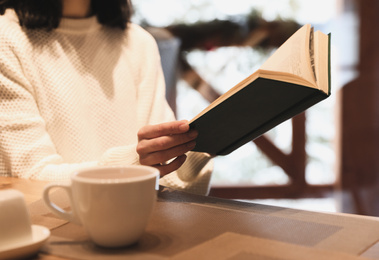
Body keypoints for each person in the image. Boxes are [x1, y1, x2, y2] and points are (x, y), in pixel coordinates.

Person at [0, 0, 213, 195]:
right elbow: (31, 180)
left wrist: (202, 150)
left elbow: (166, 176)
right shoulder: (7, 38)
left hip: (141, 224)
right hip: (55, 231)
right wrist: (131, 166)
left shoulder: (138, 42)